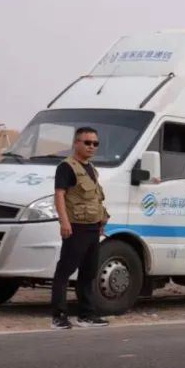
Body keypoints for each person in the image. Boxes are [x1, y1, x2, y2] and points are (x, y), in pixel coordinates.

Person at [50, 127, 109, 330]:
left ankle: (86, 315)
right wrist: (64, 222)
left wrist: (101, 221)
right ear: (76, 143)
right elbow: (59, 195)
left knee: (88, 272)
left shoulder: (91, 168)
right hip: (76, 227)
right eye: (87, 142)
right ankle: (59, 316)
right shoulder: (66, 167)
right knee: (64, 271)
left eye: (95, 143)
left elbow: (95, 199)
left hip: (92, 227)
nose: (91, 147)